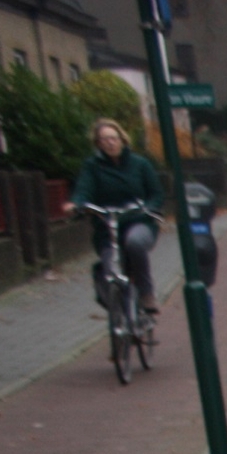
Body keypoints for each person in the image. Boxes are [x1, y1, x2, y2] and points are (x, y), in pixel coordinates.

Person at [68, 118, 165, 313]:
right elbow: (83, 190)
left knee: (135, 243)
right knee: (109, 268)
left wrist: (150, 208)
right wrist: (77, 204)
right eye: (104, 139)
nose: (110, 142)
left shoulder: (140, 164)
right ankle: (120, 315)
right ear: (98, 144)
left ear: (122, 139)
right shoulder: (92, 167)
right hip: (108, 226)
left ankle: (147, 295)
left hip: (139, 221)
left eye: (114, 138)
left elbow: (156, 193)